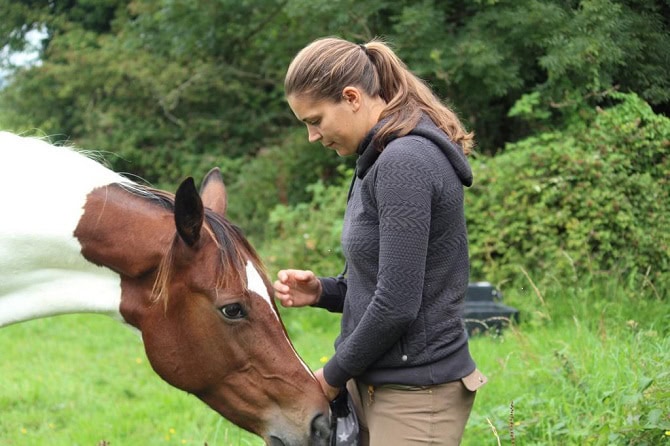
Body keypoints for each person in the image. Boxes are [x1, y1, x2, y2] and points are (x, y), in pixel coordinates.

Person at [273, 36, 487, 445]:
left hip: (416, 394)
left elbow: (397, 304)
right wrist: (322, 291)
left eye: (315, 120)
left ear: (352, 97)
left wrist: (330, 377)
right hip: (372, 384)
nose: (312, 137)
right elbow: (382, 284)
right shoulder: (374, 160)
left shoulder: (404, 162)